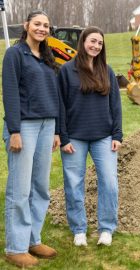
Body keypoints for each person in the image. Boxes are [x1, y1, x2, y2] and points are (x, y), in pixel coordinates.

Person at [2, 10, 60, 268]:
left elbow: (54, 95)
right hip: (23, 127)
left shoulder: (47, 58)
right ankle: (15, 247)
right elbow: (10, 93)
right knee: (20, 189)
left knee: (41, 188)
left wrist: (57, 130)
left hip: (47, 125)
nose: (42, 28)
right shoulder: (14, 55)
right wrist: (14, 130)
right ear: (26, 25)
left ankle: (32, 240)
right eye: (37, 24)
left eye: (46, 25)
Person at [58, 26, 123, 247]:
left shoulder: (107, 71)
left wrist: (117, 134)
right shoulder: (67, 71)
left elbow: (115, 105)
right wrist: (63, 137)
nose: (96, 46)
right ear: (83, 42)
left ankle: (106, 228)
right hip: (74, 137)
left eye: (100, 43)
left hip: (103, 137)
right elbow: (61, 105)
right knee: (74, 184)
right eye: (92, 41)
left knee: (109, 182)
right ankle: (79, 229)